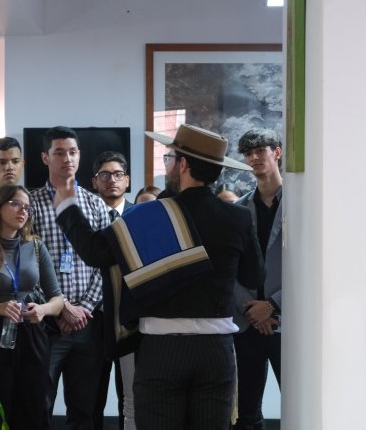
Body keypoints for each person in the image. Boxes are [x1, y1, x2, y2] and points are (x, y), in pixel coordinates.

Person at [53, 124, 264, 430]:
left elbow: (96, 253)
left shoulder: (149, 214)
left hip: (162, 349)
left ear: (183, 164)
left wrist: (66, 205)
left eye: (170, 158)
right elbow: (254, 275)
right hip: (216, 349)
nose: (168, 166)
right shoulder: (238, 216)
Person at [29, 126, 110, 430]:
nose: (67, 159)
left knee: (84, 410)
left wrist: (83, 309)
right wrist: (61, 307)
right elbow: (28, 266)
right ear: (45, 158)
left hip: (87, 324)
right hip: (47, 324)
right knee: (40, 405)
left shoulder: (95, 204)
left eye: (73, 152)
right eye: (59, 153)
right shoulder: (31, 204)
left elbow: (106, 265)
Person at [0, 184, 65, 429]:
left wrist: (42, 310)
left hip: (31, 336)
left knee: (32, 408)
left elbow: (57, 300)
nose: (23, 211)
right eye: (16, 204)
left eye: (27, 208)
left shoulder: (35, 247)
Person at [233, 128, 283, 430]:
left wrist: (273, 305)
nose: (254, 157)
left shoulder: (301, 203)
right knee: (247, 412)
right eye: (248, 153)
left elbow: (310, 264)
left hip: (286, 321)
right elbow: (230, 266)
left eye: (260, 150)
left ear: (276, 152)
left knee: (300, 401)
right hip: (248, 320)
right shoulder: (239, 209)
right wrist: (251, 308)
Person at [91, 151, 133, 430]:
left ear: (127, 180)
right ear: (95, 181)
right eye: (104, 175)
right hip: (93, 318)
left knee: (129, 397)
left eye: (118, 174)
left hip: (130, 319)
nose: (112, 180)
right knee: (90, 397)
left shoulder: (140, 215)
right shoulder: (84, 218)